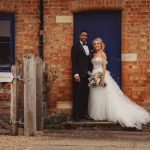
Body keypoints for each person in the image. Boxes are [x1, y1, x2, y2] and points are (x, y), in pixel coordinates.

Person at [88, 37, 150, 129]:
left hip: (100, 75)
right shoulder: (94, 53)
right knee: (96, 94)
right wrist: (94, 76)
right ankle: (99, 114)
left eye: (98, 44)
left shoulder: (102, 54)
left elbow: (104, 67)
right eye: (95, 44)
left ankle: (106, 114)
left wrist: (102, 78)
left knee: (104, 95)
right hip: (94, 74)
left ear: (101, 45)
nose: (96, 45)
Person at [71, 31, 92, 121]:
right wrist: (76, 74)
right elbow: (74, 61)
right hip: (79, 75)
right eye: (83, 35)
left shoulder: (89, 47)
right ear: (79, 36)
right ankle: (76, 115)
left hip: (87, 75)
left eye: (86, 35)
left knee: (85, 95)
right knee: (77, 95)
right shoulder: (75, 47)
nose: (84, 37)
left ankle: (83, 114)